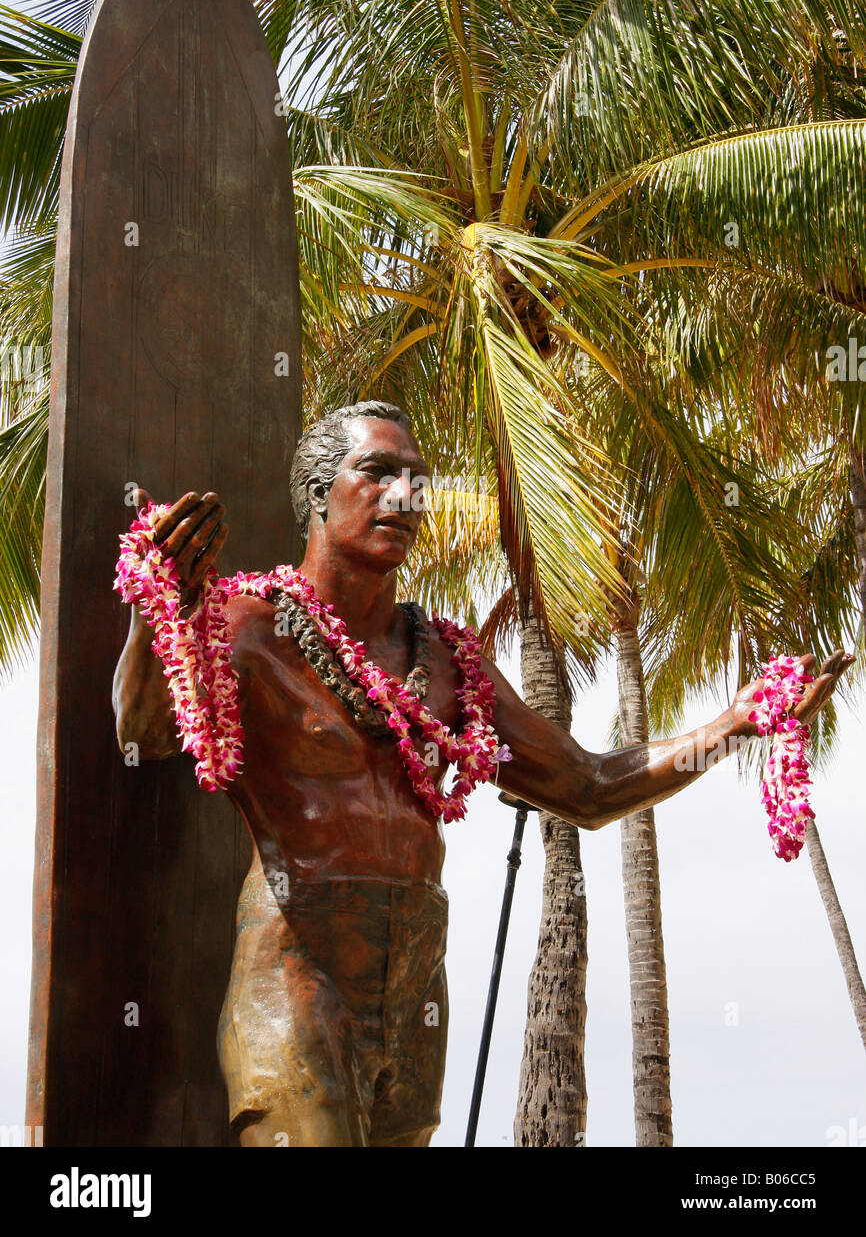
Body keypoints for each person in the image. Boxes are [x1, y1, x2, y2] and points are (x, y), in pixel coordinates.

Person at [112, 401, 852, 1147]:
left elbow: (587, 788)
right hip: (298, 975)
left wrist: (732, 723)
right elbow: (141, 733)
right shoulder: (249, 628)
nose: (402, 497)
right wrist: (158, 611)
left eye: (415, 481)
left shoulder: (448, 664)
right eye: (375, 473)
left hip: (414, 986)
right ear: (316, 494)